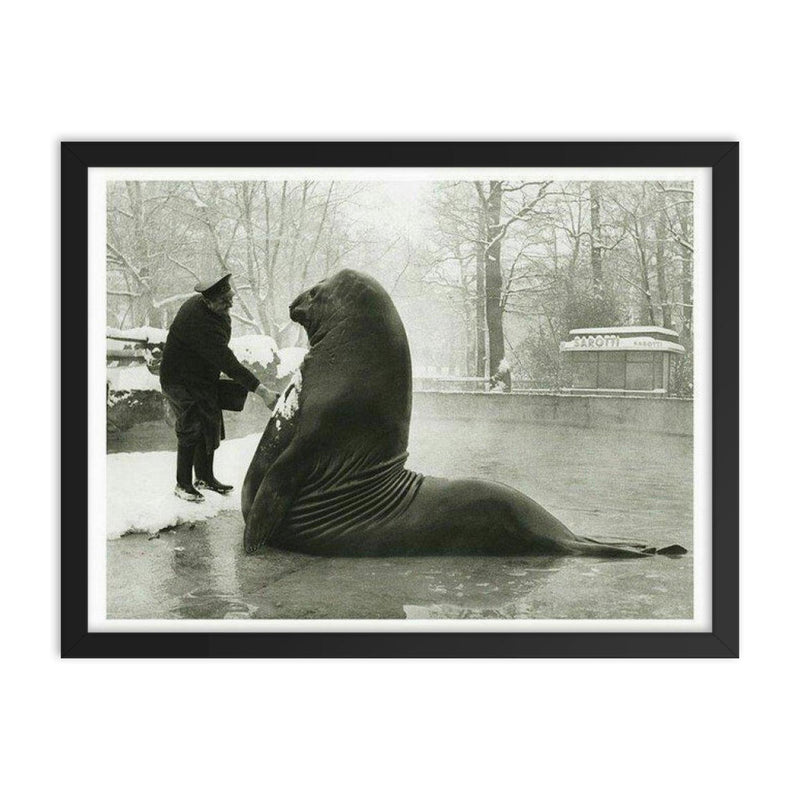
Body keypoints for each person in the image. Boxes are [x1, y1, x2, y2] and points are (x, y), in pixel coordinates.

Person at [160, 273, 277, 502]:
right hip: (178, 379)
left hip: (201, 377)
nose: (230, 303)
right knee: (191, 424)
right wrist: (262, 391)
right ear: (207, 301)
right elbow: (228, 361)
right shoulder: (198, 321)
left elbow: (218, 350)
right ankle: (182, 484)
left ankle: (204, 477)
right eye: (224, 301)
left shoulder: (213, 310)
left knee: (210, 421)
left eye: (230, 297)